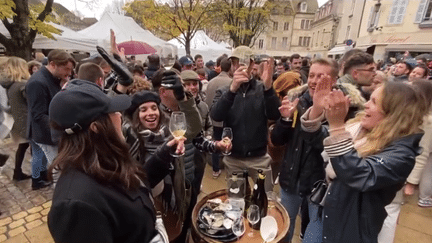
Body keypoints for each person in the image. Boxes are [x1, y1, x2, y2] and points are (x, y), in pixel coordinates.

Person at [47, 80, 181, 243]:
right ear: (96, 127)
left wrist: (164, 154)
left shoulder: (102, 158)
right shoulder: (75, 205)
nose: (119, 115)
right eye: (112, 112)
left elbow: (134, 185)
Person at [301, 80, 427, 243]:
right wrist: (317, 109)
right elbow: (321, 140)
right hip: (324, 212)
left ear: (393, 113)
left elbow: (359, 175)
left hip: (350, 229)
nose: (366, 105)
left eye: (374, 102)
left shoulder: (402, 154)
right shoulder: (359, 129)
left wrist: (337, 126)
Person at [271, 58, 339, 243]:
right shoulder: (297, 100)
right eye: (311, 75)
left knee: (314, 234)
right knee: (284, 226)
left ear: (333, 80)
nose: (314, 81)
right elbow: (277, 140)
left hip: (320, 185)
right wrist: (284, 120)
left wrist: (317, 112)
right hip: (291, 180)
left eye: (321, 76)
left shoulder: (343, 107)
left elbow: (328, 146)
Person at [211, 50, 280, 191]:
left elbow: (274, 115)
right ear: (231, 66)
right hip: (234, 159)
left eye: (243, 62)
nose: (239, 67)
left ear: (252, 64)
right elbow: (216, 115)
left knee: (265, 200)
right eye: (235, 63)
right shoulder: (224, 90)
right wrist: (232, 90)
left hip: (259, 158)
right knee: (237, 201)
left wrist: (268, 88)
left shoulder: (262, 88)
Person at [26, 49, 76, 190]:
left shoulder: (53, 79)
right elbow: (38, 115)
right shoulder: (38, 82)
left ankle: (39, 178)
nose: (69, 73)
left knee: (41, 159)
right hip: (46, 134)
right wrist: (62, 125)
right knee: (57, 166)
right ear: (53, 64)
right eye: (66, 69)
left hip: (46, 132)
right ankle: (59, 192)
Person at [0, 57, 32, 180]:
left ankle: (17, 172)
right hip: (28, 121)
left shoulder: (10, 86)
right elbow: (31, 103)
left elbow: (8, 107)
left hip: (17, 122)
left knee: (22, 147)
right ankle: (38, 174)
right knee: (35, 148)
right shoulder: (22, 85)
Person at [205, 57, 232, 178]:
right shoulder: (232, 83)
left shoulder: (211, 82)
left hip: (213, 120)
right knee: (228, 144)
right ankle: (230, 170)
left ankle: (215, 170)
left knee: (216, 143)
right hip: (227, 121)